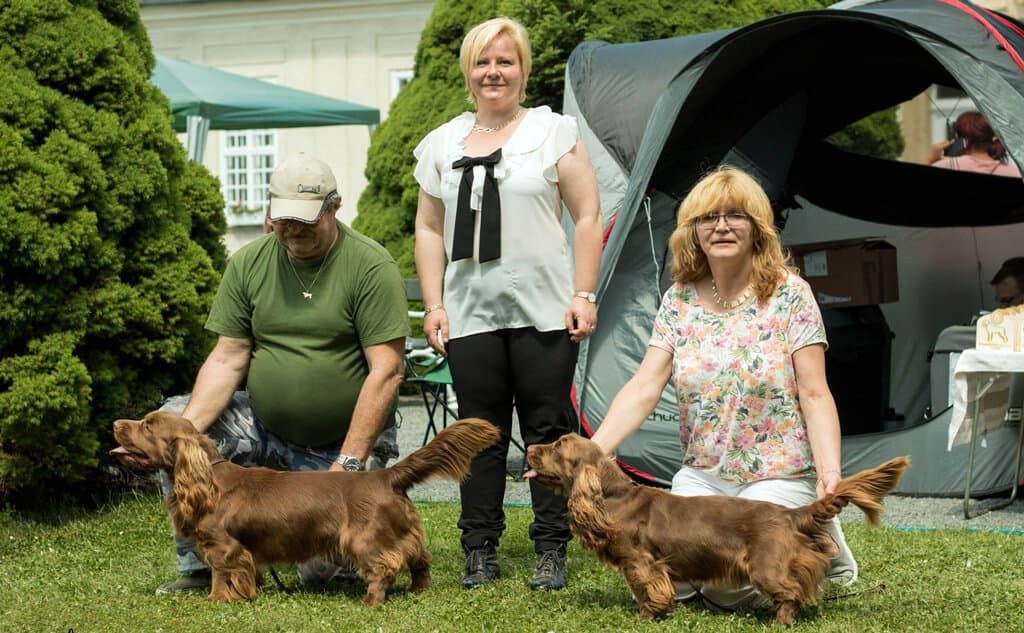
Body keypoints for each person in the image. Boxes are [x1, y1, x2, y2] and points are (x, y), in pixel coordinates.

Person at [588, 165, 857, 613]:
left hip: (777, 474)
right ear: (693, 232)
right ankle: (802, 543)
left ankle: (814, 537)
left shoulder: (791, 295)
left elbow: (815, 393)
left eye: (736, 215)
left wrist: (829, 472)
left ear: (758, 228)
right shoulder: (680, 299)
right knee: (683, 580)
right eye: (708, 217)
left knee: (733, 588)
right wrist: (594, 452)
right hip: (705, 475)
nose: (722, 225)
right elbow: (644, 386)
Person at [153, 153, 409, 594]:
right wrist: (185, 435)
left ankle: (312, 552)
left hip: (339, 441)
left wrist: (348, 464)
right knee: (170, 423)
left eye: (306, 220)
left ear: (335, 206)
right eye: (283, 219)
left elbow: (386, 370)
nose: (293, 231)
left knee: (324, 574)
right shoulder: (249, 262)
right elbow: (228, 357)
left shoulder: (371, 266)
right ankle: (204, 564)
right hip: (264, 425)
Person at [412, 17, 603, 591]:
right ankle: (479, 548)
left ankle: (551, 547)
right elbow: (427, 228)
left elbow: (588, 215)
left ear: (522, 70)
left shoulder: (552, 131)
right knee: (479, 433)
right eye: (483, 62)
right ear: (468, 71)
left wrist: (583, 292)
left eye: (506, 61)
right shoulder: (442, 143)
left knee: (548, 431)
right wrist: (433, 304)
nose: (494, 72)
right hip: (470, 314)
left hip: (545, 308)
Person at [924, 110, 1021, 178]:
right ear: (994, 137)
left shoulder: (945, 165)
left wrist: (929, 159)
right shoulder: (1015, 173)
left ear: (964, 140)